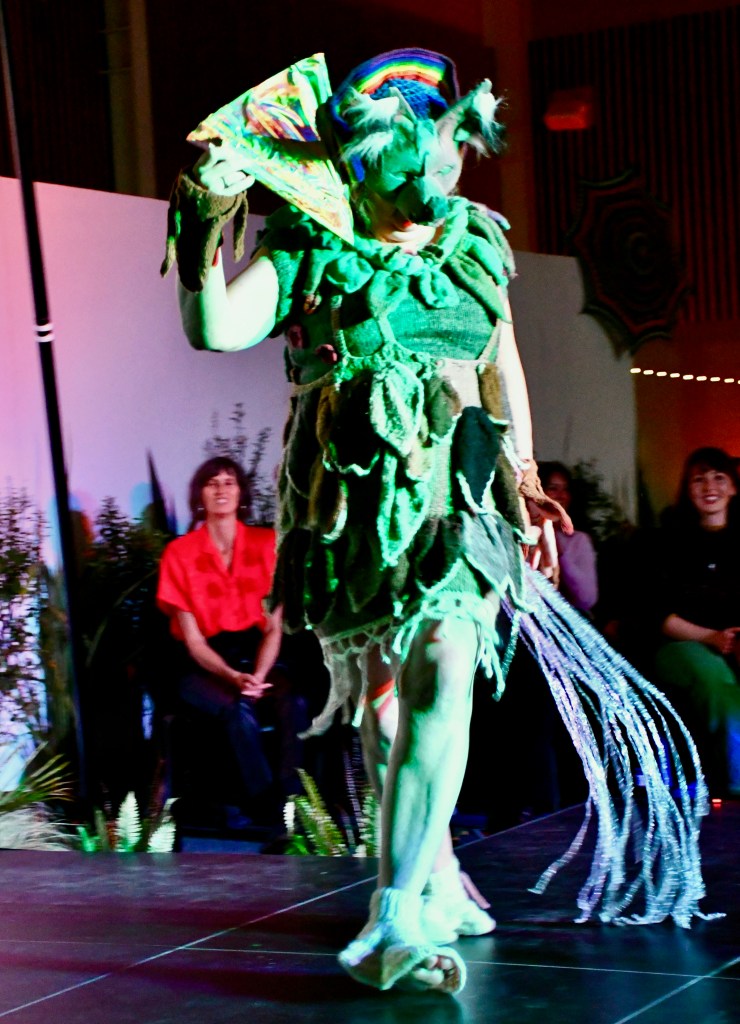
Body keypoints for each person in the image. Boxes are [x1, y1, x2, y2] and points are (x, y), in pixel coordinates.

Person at [162, 48, 711, 993]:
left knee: (447, 670)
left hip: (455, 500)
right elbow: (215, 327)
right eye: (407, 166)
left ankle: (397, 909)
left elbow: (501, 362)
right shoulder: (314, 242)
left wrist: (526, 479)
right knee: (385, 707)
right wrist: (210, 206)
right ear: (364, 163)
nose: (431, 186)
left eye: (444, 161)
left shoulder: (471, 244)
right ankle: (433, 873)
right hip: (353, 507)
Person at [157, 456, 306, 827]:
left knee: (294, 703)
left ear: (241, 493)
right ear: (200, 495)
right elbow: (193, 643)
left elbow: (274, 627)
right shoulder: (179, 553)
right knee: (237, 710)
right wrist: (232, 677)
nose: (221, 489)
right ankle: (268, 809)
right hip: (204, 662)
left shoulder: (268, 544)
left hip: (259, 654)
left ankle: (295, 803)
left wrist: (258, 675)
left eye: (229, 482)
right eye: (212, 483)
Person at [654, 447, 740, 797]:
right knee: (715, 679)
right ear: (687, 489)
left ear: (733, 486)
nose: (709, 487)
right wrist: (711, 637)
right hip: (682, 643)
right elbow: (657, 614)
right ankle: (736, 780)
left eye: (719, 478)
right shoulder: (669, 541)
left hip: (733, 640)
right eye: (699, 479)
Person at [536, 461, 598, 615]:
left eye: (565, 489)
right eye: (553, 488)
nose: (561, 496)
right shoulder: (527, 535)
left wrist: (560, 552)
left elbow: (587, 598)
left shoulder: (578, 541)